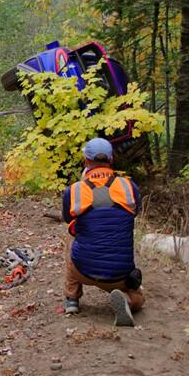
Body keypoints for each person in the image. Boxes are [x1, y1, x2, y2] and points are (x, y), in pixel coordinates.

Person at [61, 138, 144, 327]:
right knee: (140, 297)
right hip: (119, 276)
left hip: (82, 269)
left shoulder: (74, 190)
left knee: (71, 236)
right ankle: (128, 301)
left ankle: (71, 299)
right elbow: (134, 214)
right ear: (111, 160)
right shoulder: (129, 187)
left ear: (86, 161)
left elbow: (68, 218)